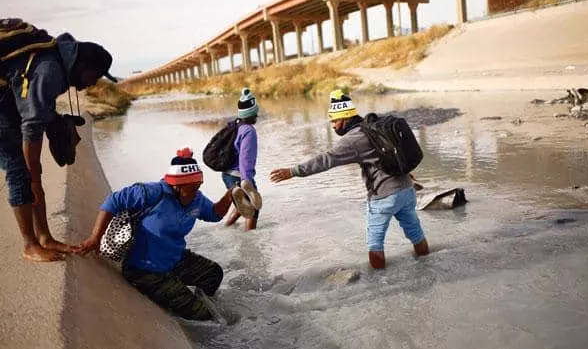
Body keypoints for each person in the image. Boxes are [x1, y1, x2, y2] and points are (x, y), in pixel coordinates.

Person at [78, 147, 244, 321]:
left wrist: (231, 194)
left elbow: (214, 214)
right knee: (202, 314)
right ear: (177, 187)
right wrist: (95, 238)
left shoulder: (196, 199)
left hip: (174, 260)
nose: (196, 192)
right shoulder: (152, 193)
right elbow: (113, 201)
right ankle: (187, 306)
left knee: (213, 274)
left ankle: (191, 299)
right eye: (192, 188)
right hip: (145, 270)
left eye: (198, 186)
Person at [270, 89, 429, 269]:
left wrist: (293, 171)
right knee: (416, 233)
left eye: (335, 121)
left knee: (375, 244)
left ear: (345, 118)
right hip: (407, 190)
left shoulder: (353, 139)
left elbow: (326, 160)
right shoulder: (374, 125)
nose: (334, 126)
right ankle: (427, 266)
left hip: (384, 197)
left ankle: (379, 284)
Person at [0, 30, 118, 262]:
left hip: (6, 98)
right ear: (82, 64)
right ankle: (30, 245)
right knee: (20, 171)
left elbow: (34, 102)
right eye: (94, 75)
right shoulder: (50, 70)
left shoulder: (60, 58)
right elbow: (32, 125)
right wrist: (32, 172)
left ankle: (44, 238)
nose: (92, 83)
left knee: (32, 170)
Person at [222, 87, 262, 231]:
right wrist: (247, 181)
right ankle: (250, 240)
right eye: (255, 112)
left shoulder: (235, 125)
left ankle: (225, 228)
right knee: (253, 208)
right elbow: (245, 158)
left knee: (242, 205)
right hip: (240, 176)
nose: (257, 115)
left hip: (227, 175)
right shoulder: (249, 131)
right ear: (252, 113)